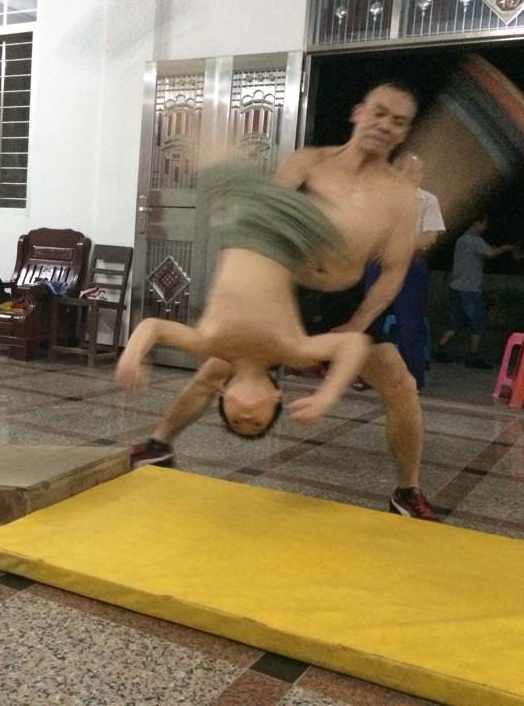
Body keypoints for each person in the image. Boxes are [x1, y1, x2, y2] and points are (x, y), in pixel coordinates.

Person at [125, 81, 440, 521]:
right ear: (358, 112)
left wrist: (357, 324)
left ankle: (407, 491)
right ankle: (158, 444)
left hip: (346, 302)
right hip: (285, 293)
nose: (386, 125)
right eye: (380, 112)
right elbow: (259, 221)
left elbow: (393, 271)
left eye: (399, 122)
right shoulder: (308, 162)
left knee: (401, 385)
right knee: (215, 369)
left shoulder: (401, 195)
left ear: (405, 133)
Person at [114, 166, 374, 432]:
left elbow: (153, 327)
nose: (247, 418)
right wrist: (327, 396)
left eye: (236, 421)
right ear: (276, 397)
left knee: (211, 160)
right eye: (258, 422)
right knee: (348, 272)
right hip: (293, 230)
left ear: (222, 391)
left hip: (245, 221)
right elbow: (354, 343)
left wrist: (132, 355)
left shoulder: (209, 343)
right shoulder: (292, 351)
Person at [356, 151, 445, 392]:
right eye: (412, 170)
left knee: (410, 325)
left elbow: (430, 237)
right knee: (370, 320)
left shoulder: (428, 200)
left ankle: (413, 378)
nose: (418, 175)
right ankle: (368, 375)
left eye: (420, 170)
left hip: (410, 266)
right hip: (378, 264)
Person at [434, 216, 514, 368]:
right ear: (476, 223)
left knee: (454, 324)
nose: (485, 227)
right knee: (477, 324)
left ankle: (440, 349)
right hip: (470, 289)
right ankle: (473, 356)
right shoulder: (475, 241)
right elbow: (490, 253)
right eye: (484, 224)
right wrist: (505, 248)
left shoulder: (461, 240)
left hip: (456, 286)